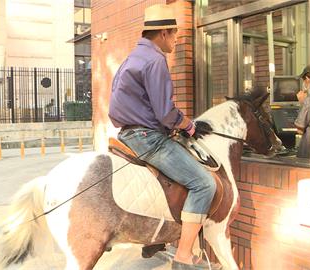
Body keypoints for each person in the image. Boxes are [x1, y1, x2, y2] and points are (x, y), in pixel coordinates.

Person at [108, 4, 215, 269]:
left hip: (128, 134)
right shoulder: (156, 60)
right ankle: (184, 254)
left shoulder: (132, 57)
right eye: (176, 35)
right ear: (164, 33)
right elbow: (166, 113)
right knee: (204, 184)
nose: (177, 41)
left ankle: (154, 238)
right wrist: (189, 126)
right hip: (148, 138)